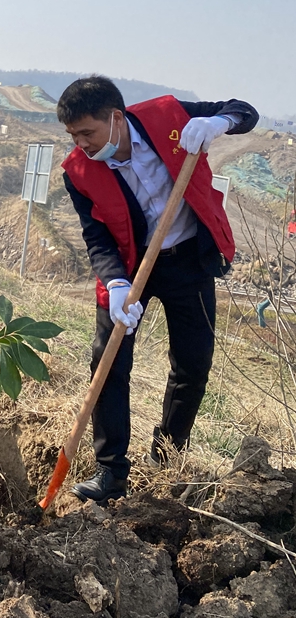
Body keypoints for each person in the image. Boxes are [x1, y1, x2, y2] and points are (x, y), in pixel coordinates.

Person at [57, 75, 258, 504]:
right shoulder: (78, 172)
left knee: (192, 364)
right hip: (129, 269)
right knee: (108, 362)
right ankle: (110, 471)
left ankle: (167, 455)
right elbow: (96, 236)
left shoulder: (166, 116)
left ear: (116, 117)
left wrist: (218, 123)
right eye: (74, 135)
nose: (82, 144)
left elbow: (244, 111)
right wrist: (115, 283)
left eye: (87, 133)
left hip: (188, 260)